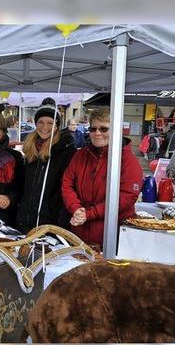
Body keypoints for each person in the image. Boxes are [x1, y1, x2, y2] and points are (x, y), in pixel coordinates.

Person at [62, 109, 142, 247]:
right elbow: (67, 183)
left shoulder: (128, 160)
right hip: (80, 233)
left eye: (103, 129)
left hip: (113, 237)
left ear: (115, 130)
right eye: (93, 129)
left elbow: (127, 197)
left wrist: (89, 213)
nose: (97, 133)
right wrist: (75, 208)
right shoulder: (80, 155)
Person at [16, 105, 76, 233]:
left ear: (57, 125)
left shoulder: (66, 150)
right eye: (40, 122)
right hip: (25, 220)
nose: (45, 127)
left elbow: (67, 187)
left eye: (50, 123)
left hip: (51, 222)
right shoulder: (30, 147)